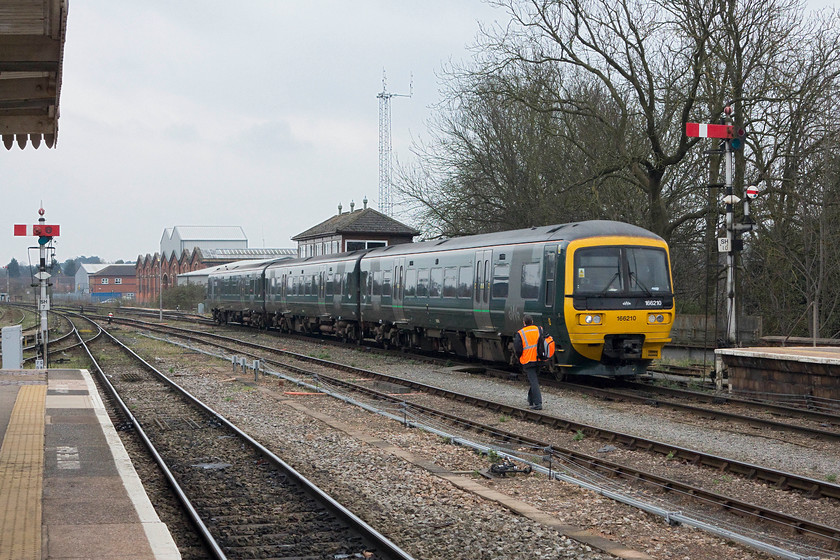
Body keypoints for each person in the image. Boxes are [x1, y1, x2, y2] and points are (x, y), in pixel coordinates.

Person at [514, 315, 542, 410]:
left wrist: (519, 358)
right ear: (532, 321)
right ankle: (531, 400)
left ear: (524, 323)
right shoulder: (539, 329)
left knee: (533, 381)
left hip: (528, 360)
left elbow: (518, 349)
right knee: (533, 380)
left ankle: (538, 403)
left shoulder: (521, 333)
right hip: (540, 359)